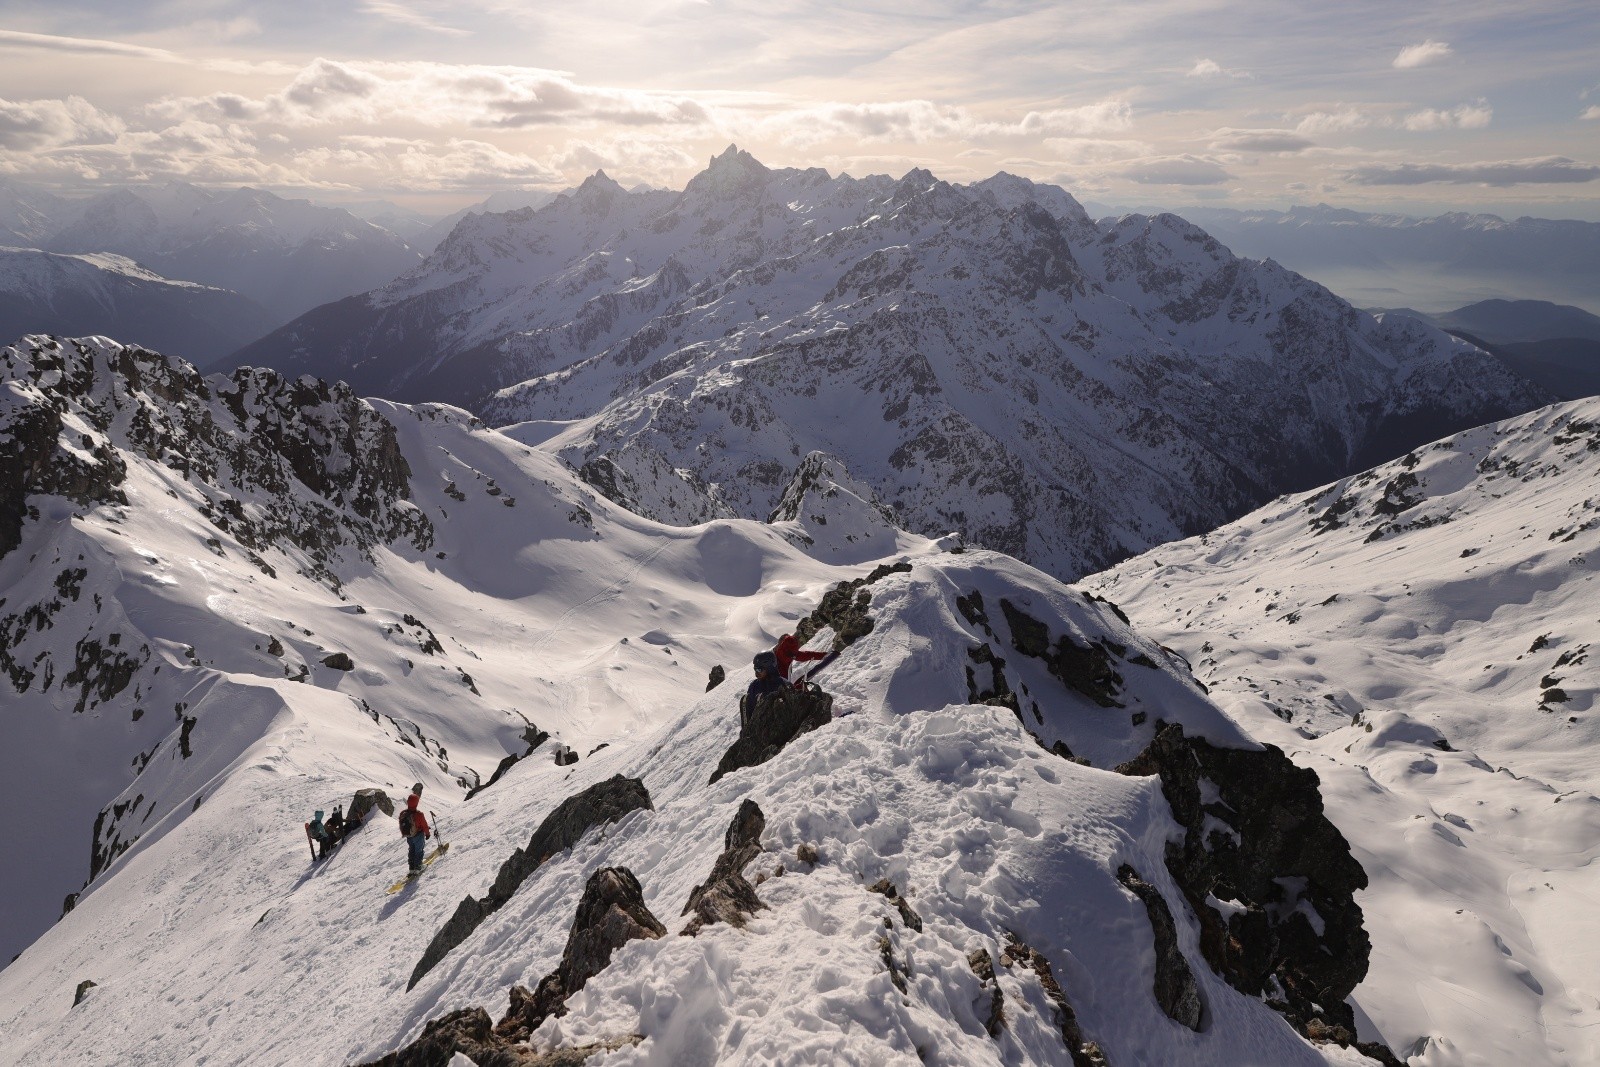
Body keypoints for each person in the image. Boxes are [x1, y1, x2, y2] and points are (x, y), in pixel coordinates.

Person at [742, 650, 785, 727]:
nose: (756, 673)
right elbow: (749, 709)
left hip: (778, 729)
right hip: (757, 730)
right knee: (745, 699)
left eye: (759, 669)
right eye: (755, 669)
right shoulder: (754, 685)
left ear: (770, 668)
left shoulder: (782, 684)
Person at [398, 793, 432, 876]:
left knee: (412, 850)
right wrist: (427, 834)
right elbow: (424, 825)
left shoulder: (403, 813)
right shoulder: (419, 814)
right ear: (416, 803)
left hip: (409, 836)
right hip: (418, 835)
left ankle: (411, 868)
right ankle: (418, 867)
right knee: (419, 850)